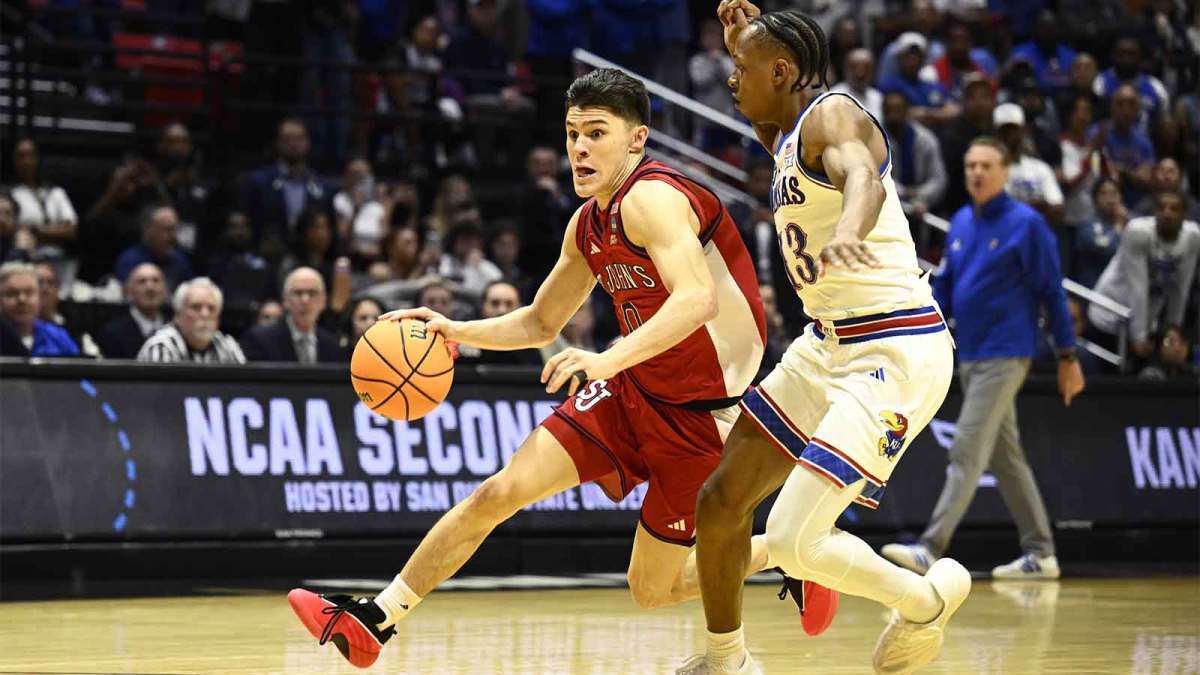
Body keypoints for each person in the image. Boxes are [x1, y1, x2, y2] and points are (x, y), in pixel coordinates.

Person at [287, 68, 775, 670]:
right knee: (500, 491)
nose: (580, 147)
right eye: (573, 133)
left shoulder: (653, 198)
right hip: (631, 392)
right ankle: (376, 618)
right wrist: (454, 331)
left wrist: (606, 357)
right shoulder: (588, 223)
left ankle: (784, 553)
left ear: (637, 140)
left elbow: (696, 299)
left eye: (597, 132)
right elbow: (542, 322)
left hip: (700, 417)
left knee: (652, 590)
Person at [683, 4, 967, 674]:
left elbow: (861, 174)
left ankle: (924, 601)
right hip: (827, 345)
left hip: (895, 348)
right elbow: (766, 125)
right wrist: (736, 44)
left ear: (783, 70)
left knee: (790, 539)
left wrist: (848, 229)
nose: (732, 80)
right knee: (720, 500)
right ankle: (727, 660)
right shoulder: (785, 135)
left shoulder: (834, 115)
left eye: (743, 69)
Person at [881, 137, 1085, 585]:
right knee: (1007, 459)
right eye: (970, 165)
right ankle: (1040, 552)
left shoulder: (1027, 225)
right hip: (969, 354)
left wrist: (1068, 356)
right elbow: (946, 288)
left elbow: (1052, 290)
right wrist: (909, 325)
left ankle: (930, 549)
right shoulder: (961, 222)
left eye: (986, 165)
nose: (976, 172)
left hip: (1007, 353)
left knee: (966, 450)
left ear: (1005, 172)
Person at [1088, 191, 1200, 371]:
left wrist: (1173, 329)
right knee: (1111, 373)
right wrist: (1139, 336)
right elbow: (1138, 288)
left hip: (1146, 315)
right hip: (1111, 307)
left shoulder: (1193, 236)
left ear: (1185, 215)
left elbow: (1181, 287)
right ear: (1154, 212)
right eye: (1162, 208)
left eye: (1174, 209)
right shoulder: (1137, 232)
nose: (1167, 213)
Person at [240, 266, 344, 363]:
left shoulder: (333, 345)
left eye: (312, 293)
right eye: (298, 293)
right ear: (285, 300)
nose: (305, 300)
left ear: (323, 301)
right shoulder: (260, 340)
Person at [137, 277, 245, 364]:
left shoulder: (227, 345)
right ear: (178, 314)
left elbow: (245, 387)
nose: (205, 314)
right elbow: (162, 391)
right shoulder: (161, 347)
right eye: (196, 307)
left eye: (211, 308)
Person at [994, 103, 1064, 225]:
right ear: (996, 135)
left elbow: (1058, 209)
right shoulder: (988, 170)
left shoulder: (1040, 168)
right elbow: (997, 211)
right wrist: (1038, 206)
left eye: (1014, 130)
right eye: (1005, 131)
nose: (1010, 136)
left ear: (1023, 131)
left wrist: (1019, 206)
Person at [882, 92, 947, 220]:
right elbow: (876, 178)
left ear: (907, 112)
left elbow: (938, 179)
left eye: (898, 109)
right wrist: (903, 193)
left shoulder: (926, 140)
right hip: (886, 209)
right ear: (883, 112)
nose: (894, 115)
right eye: (890, 110)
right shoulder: (874, 140)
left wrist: (921, 196)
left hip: (922, 207)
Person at [455, 280, 545, 365]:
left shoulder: (530, 342)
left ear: (520, 308)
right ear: (482, 306)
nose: (502, 310)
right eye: (495, 303)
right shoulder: (464, 336)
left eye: (509, 304)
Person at [0, 262, 79, 357]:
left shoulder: (57, 337)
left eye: (29, 293)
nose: (22, 300)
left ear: (39, 298)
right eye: (12, 293)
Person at [97, 263, 168, 359]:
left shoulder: (176, 328)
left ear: (165, 290)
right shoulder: (112, 333)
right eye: (142, 281)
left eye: (156, 281)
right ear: (128, 291)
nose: (150, 288)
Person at [113, 205, 194, 289]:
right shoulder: (129, 261)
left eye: (175, 229)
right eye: (167, 230)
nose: (174, 236)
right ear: (149, 231)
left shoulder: (180, 261)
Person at [830, 48, 883, 121]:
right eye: (854, 67)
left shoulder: (877, 97)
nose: (860, 73)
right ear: (845, 69)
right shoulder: (833, 96)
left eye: (866, 68)